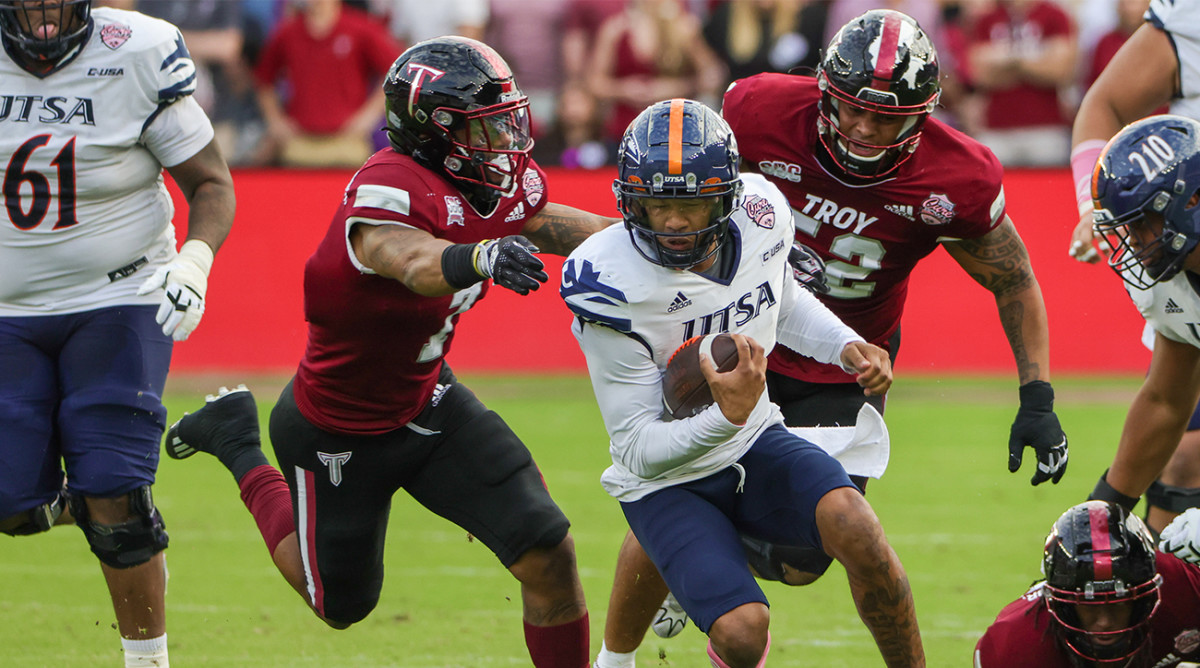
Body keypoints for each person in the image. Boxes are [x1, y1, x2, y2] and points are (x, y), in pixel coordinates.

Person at [591, 10, 1068, 665]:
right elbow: (692, 199)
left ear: (924, 115)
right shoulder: (758, 113)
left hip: (843, 366)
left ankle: (704, 558)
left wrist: (1036, 394)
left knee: (805, 559)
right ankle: (642, 623)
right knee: (673, 487)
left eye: (889, 118)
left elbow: (1013, 279)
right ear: (823, 93)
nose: (867, 130)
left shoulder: (956, 177)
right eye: (851, 111)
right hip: (734, 341)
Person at [164, 36, 615, 667]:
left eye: (506, 121)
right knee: (340, 606)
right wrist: (478, 256)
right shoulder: (389, 184)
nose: (507, 140)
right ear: (434, 132)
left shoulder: (491, 181)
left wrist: (664, 238)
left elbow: (554, 225)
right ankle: (236, 442)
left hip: (429, 399)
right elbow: (406, 259)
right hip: (338, 425)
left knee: (547, 550)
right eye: (485, 127)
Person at [562, 97, 924, 668]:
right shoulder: (607, 283)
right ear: (630, 201)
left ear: (728, 199)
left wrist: (843, 345)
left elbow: (776, 298)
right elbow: (634, 448)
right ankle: (615, 661)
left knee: (855, 526)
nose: (675, 223)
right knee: (742, 630)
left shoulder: (760, 214)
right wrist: (723, 416)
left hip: (754, 438)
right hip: (667, 479)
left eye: (694, 206)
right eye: (656, 205)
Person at [0, 1, 236, 667]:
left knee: (116, 494)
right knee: (12, 502)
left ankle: (147, 660)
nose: (43, 16)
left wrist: (194, 261)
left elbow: (211, 183)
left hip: (119, 293)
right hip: (6, 311)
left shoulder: (137, 49)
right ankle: (95, 485)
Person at [1068, 0, 1200, 536]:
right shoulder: (1174, 280)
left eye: (1144, 225)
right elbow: (1166, 400)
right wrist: (1102, 515)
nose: (1136, 244)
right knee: (1181, 461)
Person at [973, 500, 1200, 667]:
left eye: (1120, 602)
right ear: (1060, 601)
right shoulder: (1018, 646)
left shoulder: (1183, 588)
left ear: (1149, 592)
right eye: (1089, 604)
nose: (1104, 622)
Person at [253, 0, 400, 168]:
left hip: (346, 143)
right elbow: (263, 79)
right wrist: (275, 120)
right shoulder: (288, 32)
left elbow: (395, 70)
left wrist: (367, 117)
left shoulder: (360, 27)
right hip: (301, 143)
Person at [965, 0, 1078, 167]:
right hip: (997, 129)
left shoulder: (1055, 15)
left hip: (1046, 129)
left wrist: (1008, 59)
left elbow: (1061, 71)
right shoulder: (987, 19)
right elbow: (979, 75)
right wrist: (1038, 59)